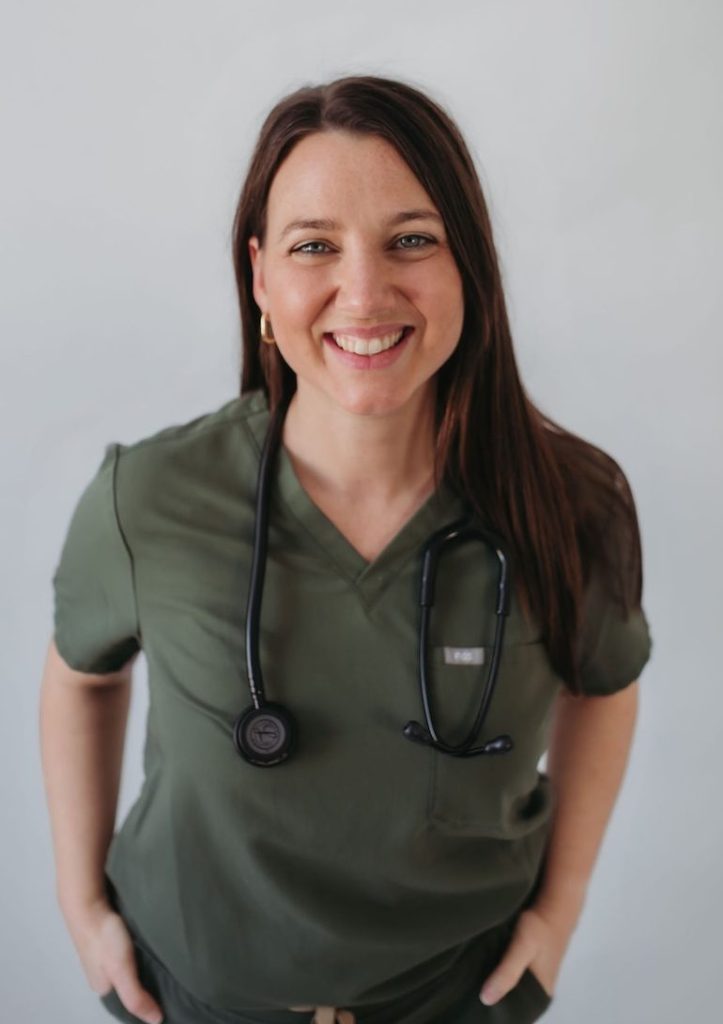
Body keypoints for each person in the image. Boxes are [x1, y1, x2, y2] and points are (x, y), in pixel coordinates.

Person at [39, 74, 653, 1024]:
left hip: (458, 999)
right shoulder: (148, 500)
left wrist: (558, 915)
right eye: (313, 246)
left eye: (411, 240)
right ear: (259, 277)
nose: (363, 293)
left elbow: (603, 686)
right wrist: (82, 908)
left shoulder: (572, 505)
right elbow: (80, 676)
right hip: (193, 997)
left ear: (469, 266)